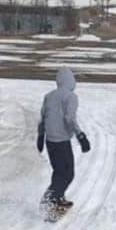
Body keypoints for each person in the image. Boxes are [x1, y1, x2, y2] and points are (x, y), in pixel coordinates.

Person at [36, 66, 90, 211]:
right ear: (71, 81)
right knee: (67, 174)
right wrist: (81, 136)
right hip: (62, 142)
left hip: (50, 142)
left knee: (58, 171)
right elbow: (70, 118)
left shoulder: (48, 96)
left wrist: (40, 136)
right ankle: (49, 203)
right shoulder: (71, 97)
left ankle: (58, 198)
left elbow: (43, 118)